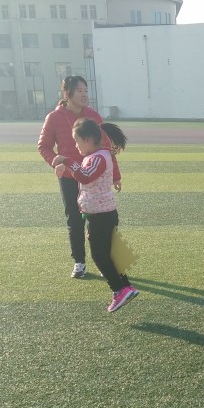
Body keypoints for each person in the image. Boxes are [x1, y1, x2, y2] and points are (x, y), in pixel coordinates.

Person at [38, 75, 120, 279]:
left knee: (100, 220)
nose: (84, 94)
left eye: (86, 90)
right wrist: (56, 161)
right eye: (79, 91)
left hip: (94, 176)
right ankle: (79, 261)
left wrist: (115, 175)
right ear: (67, 94)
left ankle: (105, 261)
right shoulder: (54, 117)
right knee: (74, 219)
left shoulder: (93, 116)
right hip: (69, 177)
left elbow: (106, 146)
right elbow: (44, 146)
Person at [53, 119, 138, 313]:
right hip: (99, 214)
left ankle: (119, 289)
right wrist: (67, 166)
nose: (76, 146)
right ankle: (125, 286)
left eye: (77, 141)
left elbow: (86, 176)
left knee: (99, 256)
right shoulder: (97, 156)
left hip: (102, 215)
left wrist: (66, 161)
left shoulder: (99, 158)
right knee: (108, 254)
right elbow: (86, 176)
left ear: (88, 140)